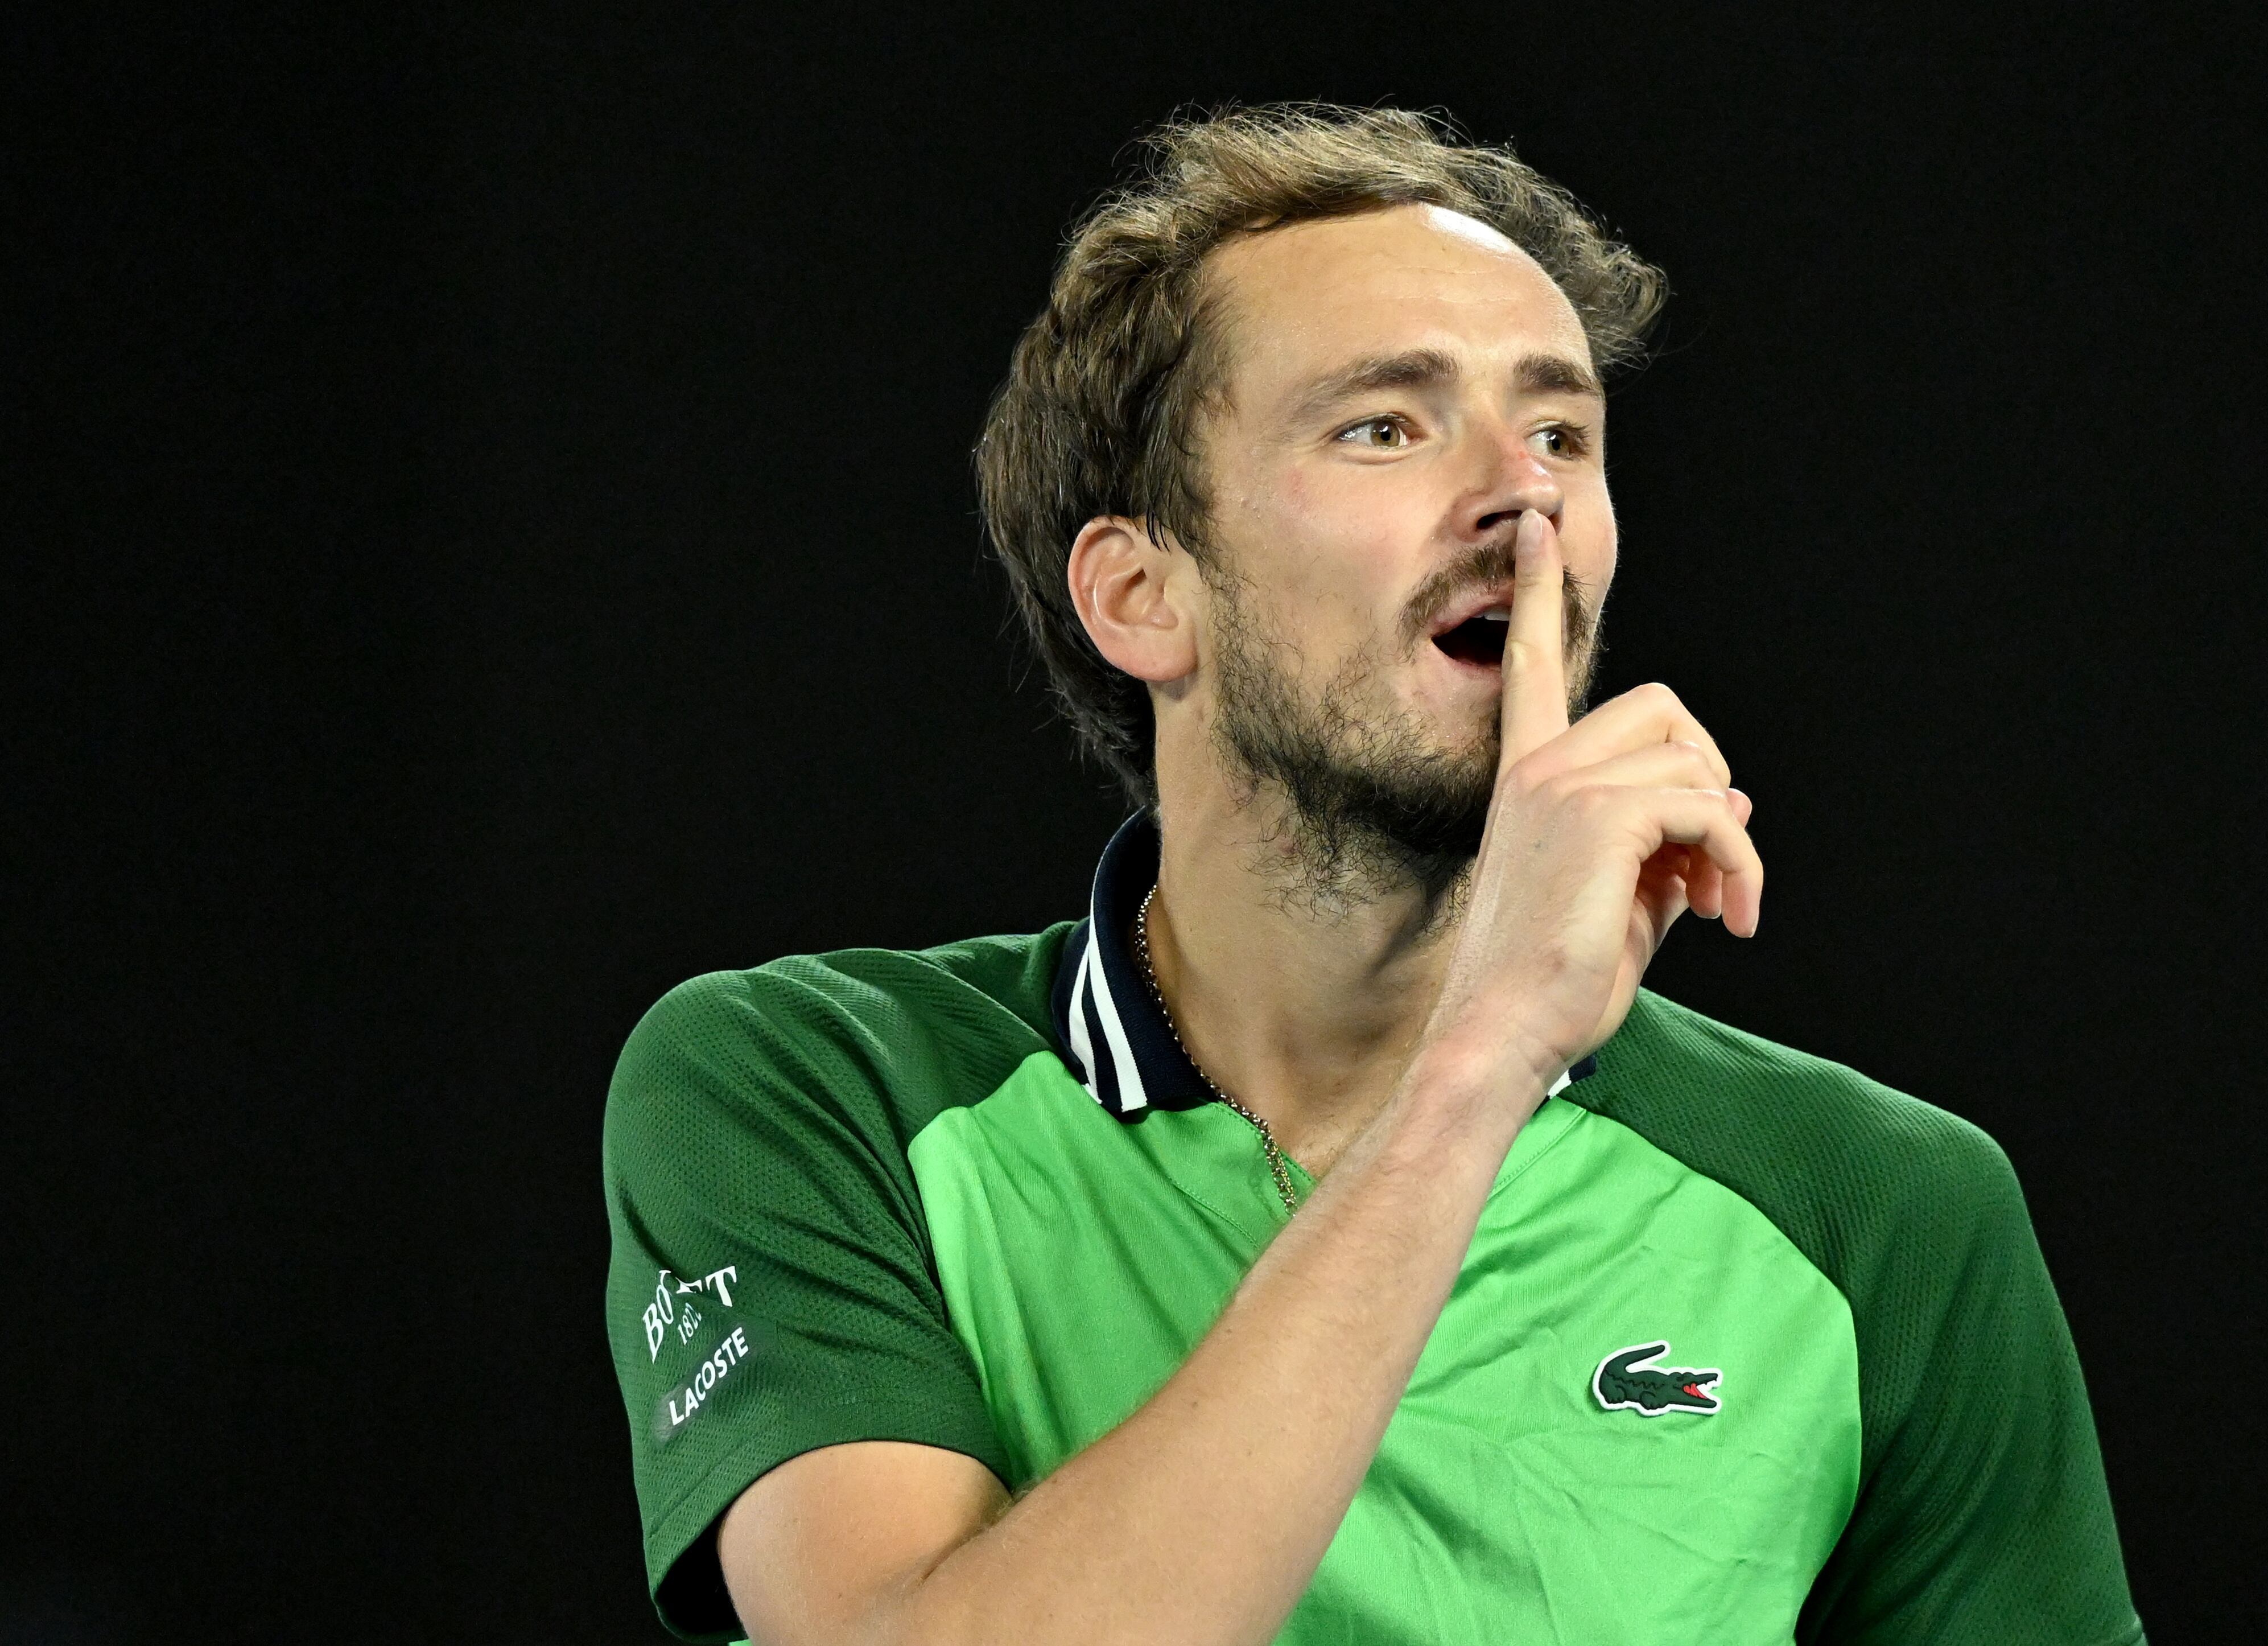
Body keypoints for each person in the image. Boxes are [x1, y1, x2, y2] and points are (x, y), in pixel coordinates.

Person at [601, 104, 2143, 1646]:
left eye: (1559, 432)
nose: (1521, 498)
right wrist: (1476, 1064)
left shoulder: (1881, 1203)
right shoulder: (810, 1086)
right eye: (1383, 427)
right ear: (1141, 596)